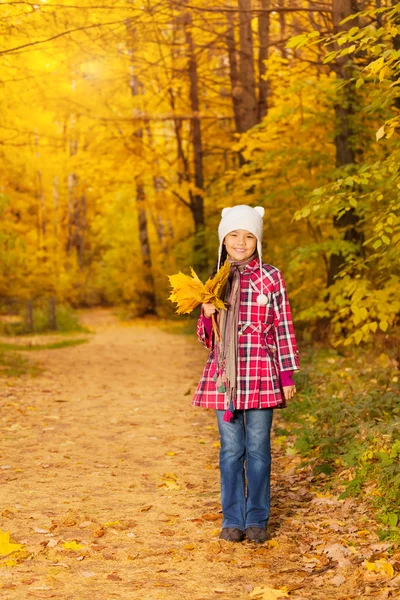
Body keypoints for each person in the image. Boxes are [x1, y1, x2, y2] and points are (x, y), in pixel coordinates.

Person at [192, 205, 300, 544]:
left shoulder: (272, 277)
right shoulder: (215, 281)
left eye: (249, 235)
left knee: (258, 449)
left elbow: (283, 327)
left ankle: (257, 518)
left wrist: (287, 376)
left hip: (262, 372)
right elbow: (206, 339)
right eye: (235, 235)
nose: (241, 241)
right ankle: (232, 519)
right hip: (225, 375)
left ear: (258, 240)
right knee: (230, 450)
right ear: (224, 240)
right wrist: (206, 313)